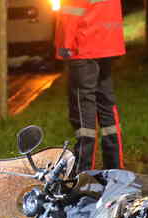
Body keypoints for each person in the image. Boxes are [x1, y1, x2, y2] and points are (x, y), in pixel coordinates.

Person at [54, 0, 126, 173]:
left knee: (83, 108)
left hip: (84, 48)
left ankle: (83, 171)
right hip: (107, 46)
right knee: (106, 106)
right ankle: (115, 169)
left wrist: (65, 47)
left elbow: (70, 15)